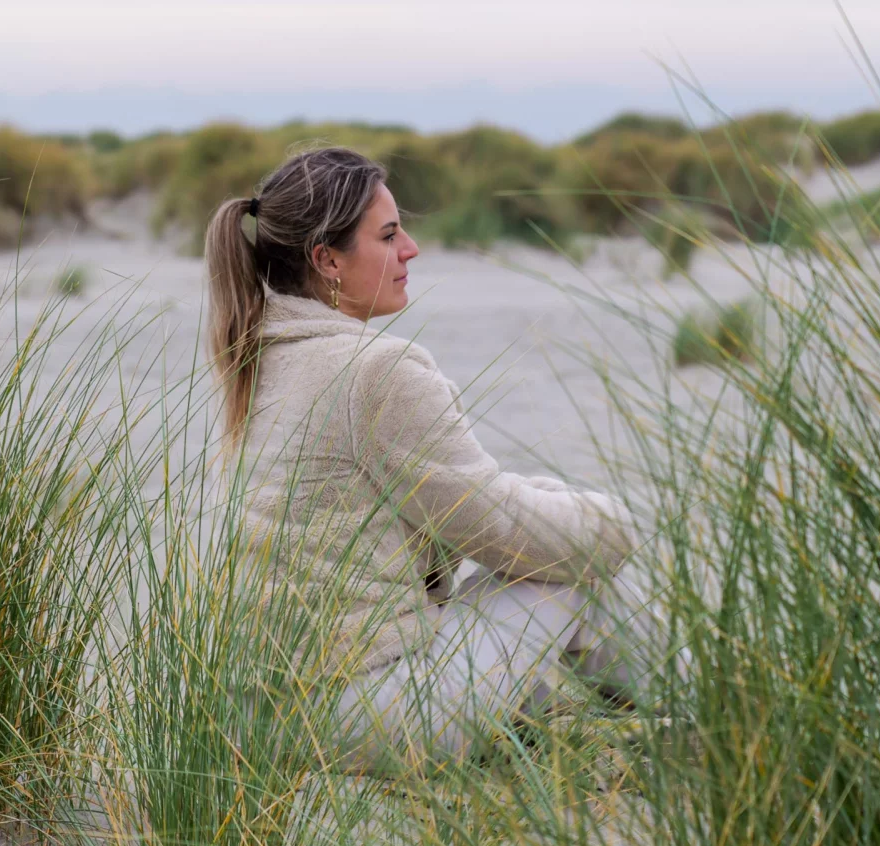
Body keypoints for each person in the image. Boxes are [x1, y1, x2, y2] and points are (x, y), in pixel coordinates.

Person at [205, 145, 686, 779]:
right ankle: (728, 720)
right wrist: (612, 520)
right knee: (576, 574)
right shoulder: (376, 371)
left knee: (545, 564)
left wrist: (536, 498)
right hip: (362, 717)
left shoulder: (259, 361)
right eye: (388, 234)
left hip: (259, 719)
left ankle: (687, 723)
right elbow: (501, 530)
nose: (412, 248)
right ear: (327, 260)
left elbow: (462, 512)